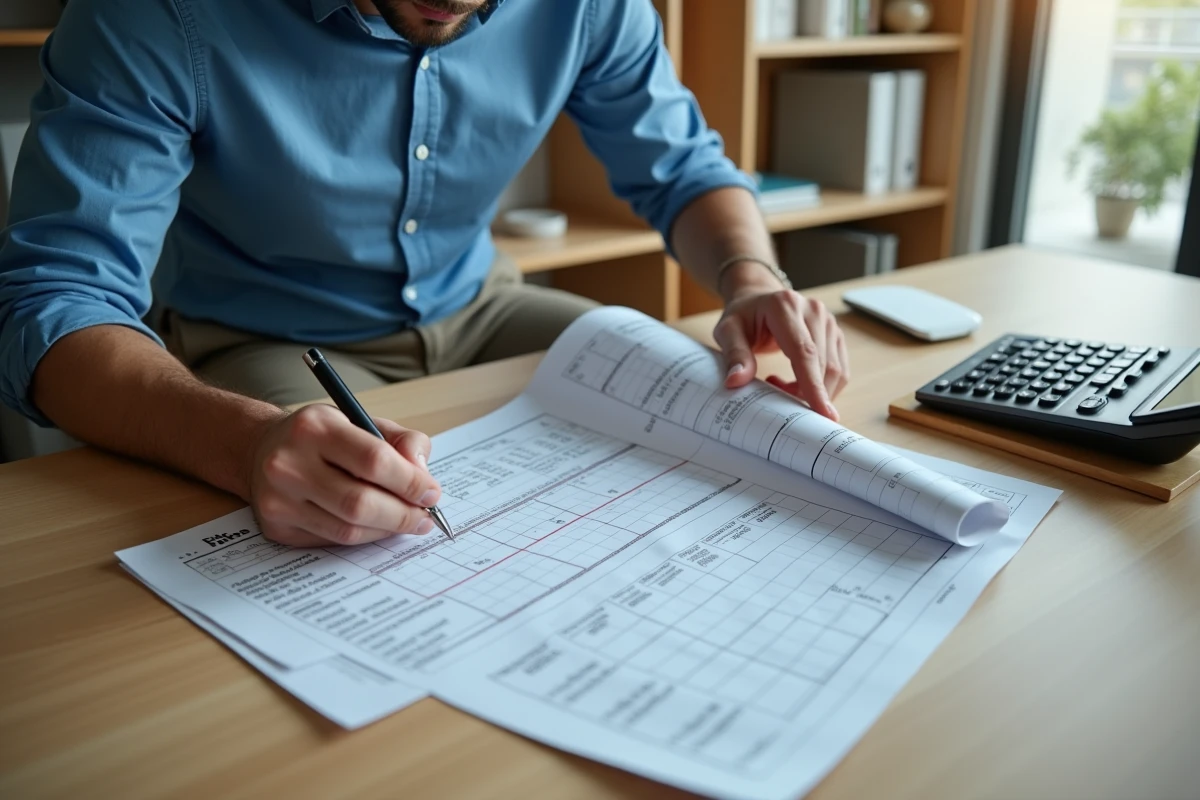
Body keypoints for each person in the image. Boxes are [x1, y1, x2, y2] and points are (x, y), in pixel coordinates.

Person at [0, 0, 850, 548]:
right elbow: (55, 300)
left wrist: (749, 277)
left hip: (479, 303)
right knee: (331, 528)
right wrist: (245, 443)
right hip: (270, 340)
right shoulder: (155, 15)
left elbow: (685, 171)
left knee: (703, 407)